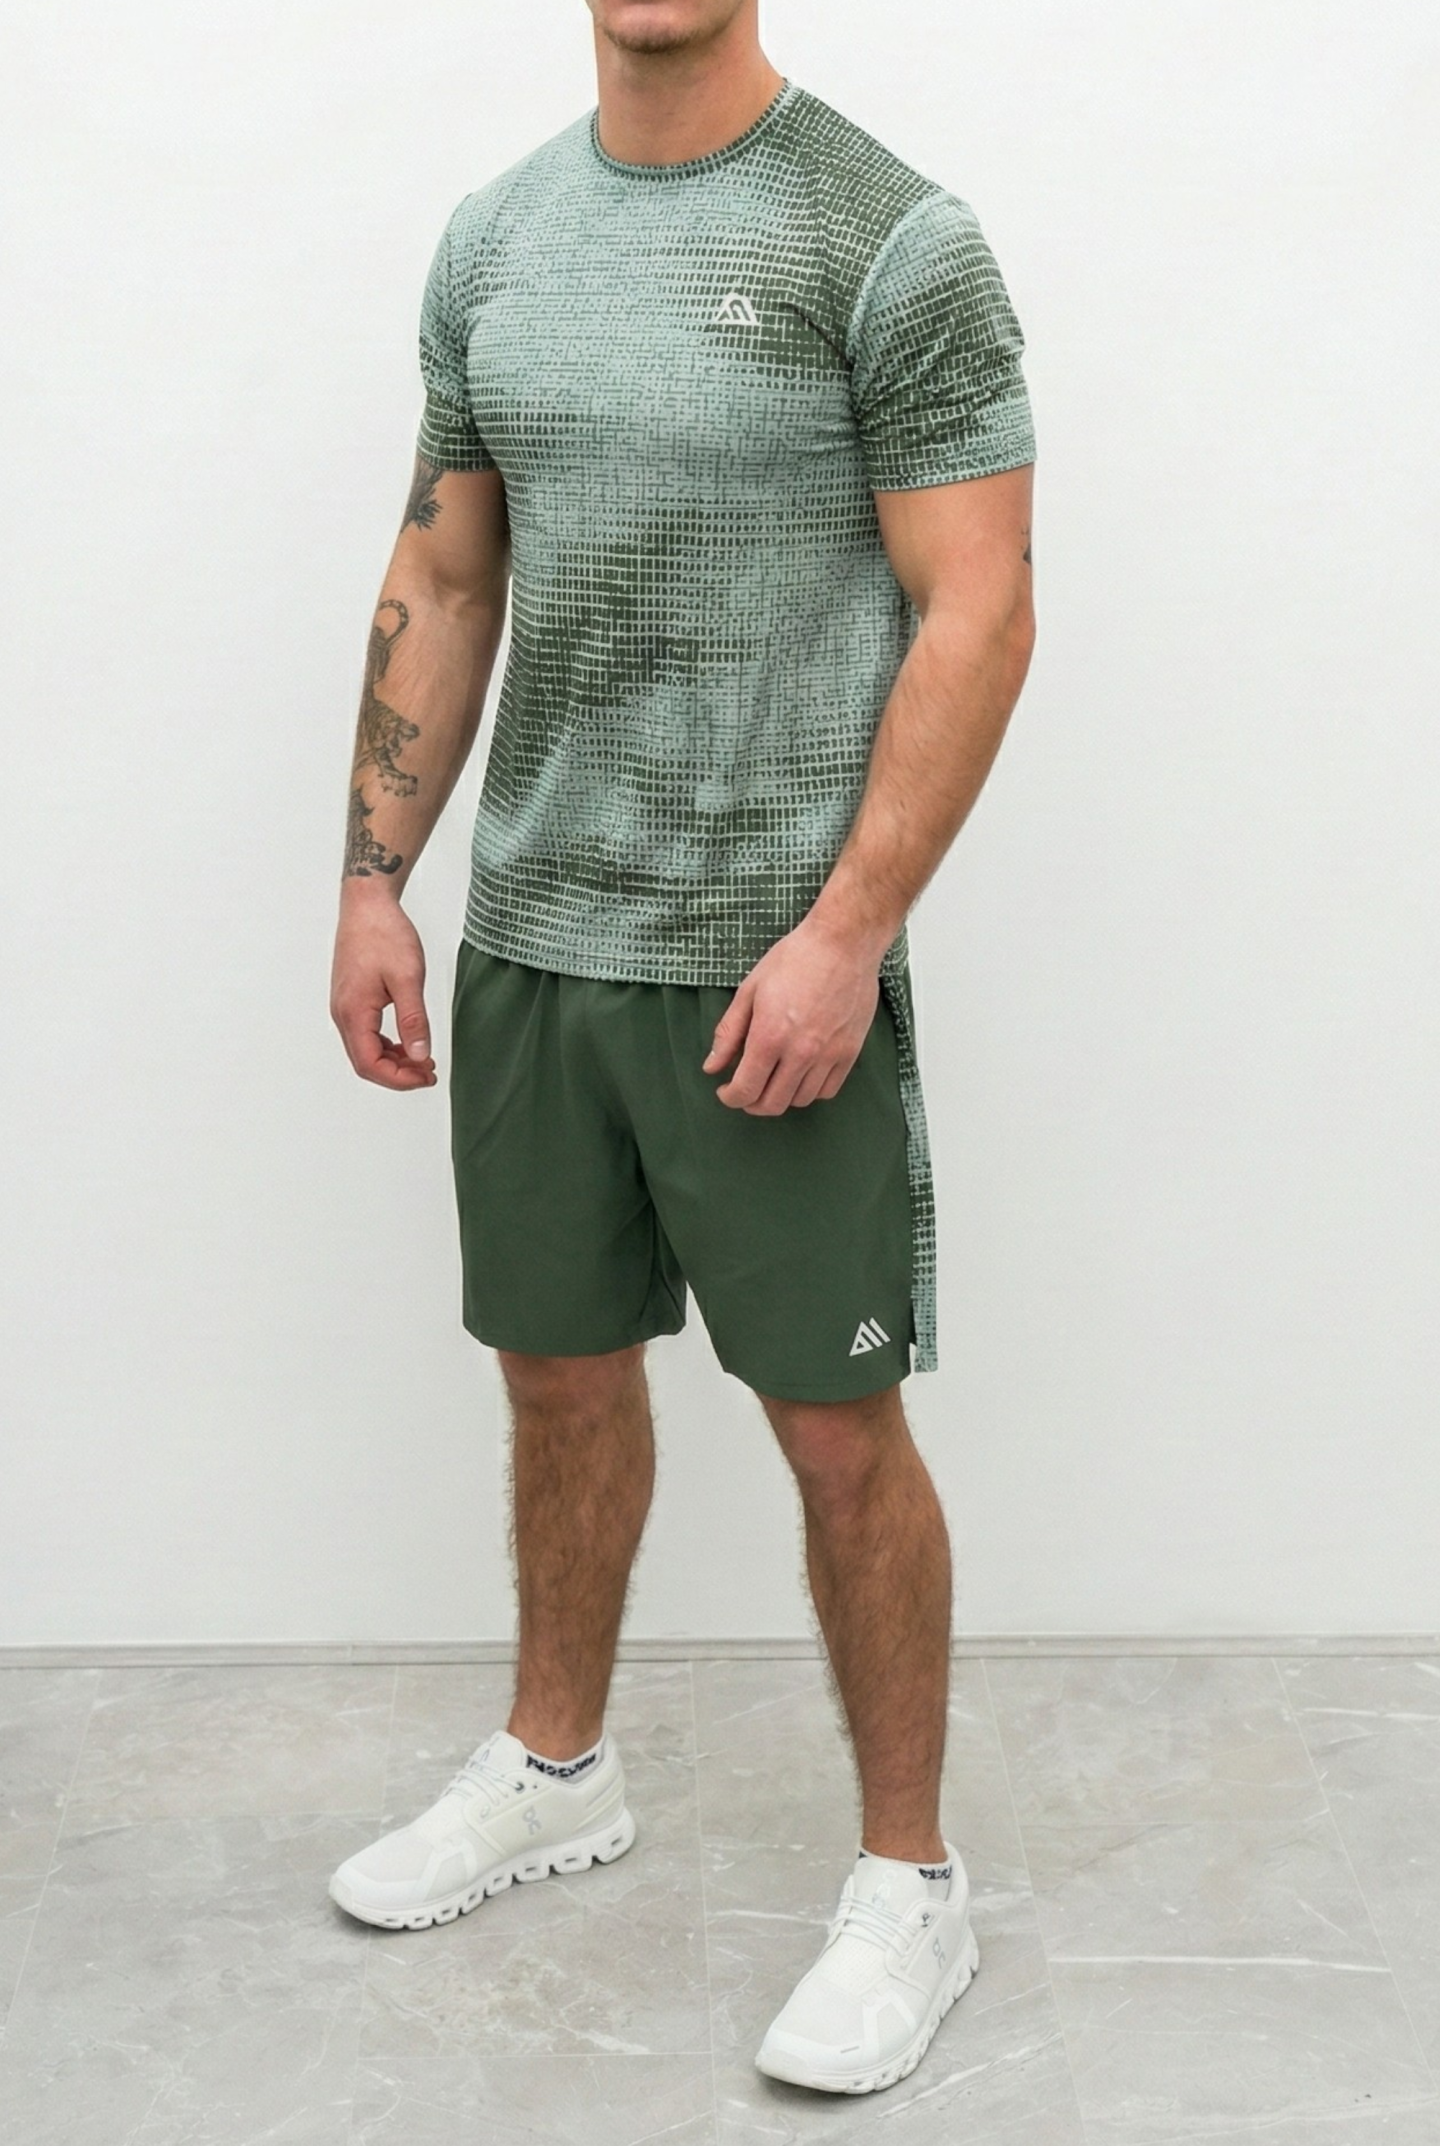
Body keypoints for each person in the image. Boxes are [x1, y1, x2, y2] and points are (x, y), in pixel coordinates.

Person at [326, 0, 1035, 2099]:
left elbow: (981, 605)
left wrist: (846, 933)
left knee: (835, 1434)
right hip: (540, 938)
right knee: (556, 1379)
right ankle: (559, 1762)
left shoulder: (886, 238)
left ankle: (912, 1880)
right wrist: (374, 876)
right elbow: (448, 564)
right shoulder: (496, 240)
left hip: (768, 966)